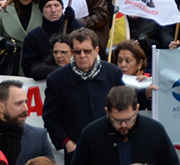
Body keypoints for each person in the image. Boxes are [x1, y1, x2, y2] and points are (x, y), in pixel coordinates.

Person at [43, 28, 126, 164]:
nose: (82, 55)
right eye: (77, 51)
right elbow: (50, 117)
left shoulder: (112, 72)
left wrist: (146, 94)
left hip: (112, 149)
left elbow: (125, 103)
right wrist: (67, 143)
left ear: (96, 51)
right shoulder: (57, 79)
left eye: (87, 51)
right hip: (77, 153)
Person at [70, 86, 179, 165]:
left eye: (129, 120)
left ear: (137, 109)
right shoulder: (91, 134)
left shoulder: (155, 131)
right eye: (116, 120)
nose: (123, 125)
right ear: (107, 112)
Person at [21, 0, 82, 79]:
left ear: (62, 7)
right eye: (48, 6)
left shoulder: (74, 29)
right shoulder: (33, 37)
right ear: (42, 10)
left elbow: (87, 43)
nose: (53, 10)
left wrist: (73, 23)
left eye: (56, 5)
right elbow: (29, 69)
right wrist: (60, 70)